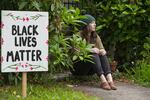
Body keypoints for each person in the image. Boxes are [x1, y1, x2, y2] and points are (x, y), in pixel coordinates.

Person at [71, 14, 117, 90]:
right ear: (86, 25)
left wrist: (102, 51)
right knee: (93, 54)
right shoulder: (77, 36)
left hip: (91, 68)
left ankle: (110, 80)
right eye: (92, 23)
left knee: (102, 54)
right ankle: (103, 81)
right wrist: (89, 50)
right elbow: (76, 53)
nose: (95, 24)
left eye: (95, 23)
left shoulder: (95, 36)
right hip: (78, 68)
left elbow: (102, 49)